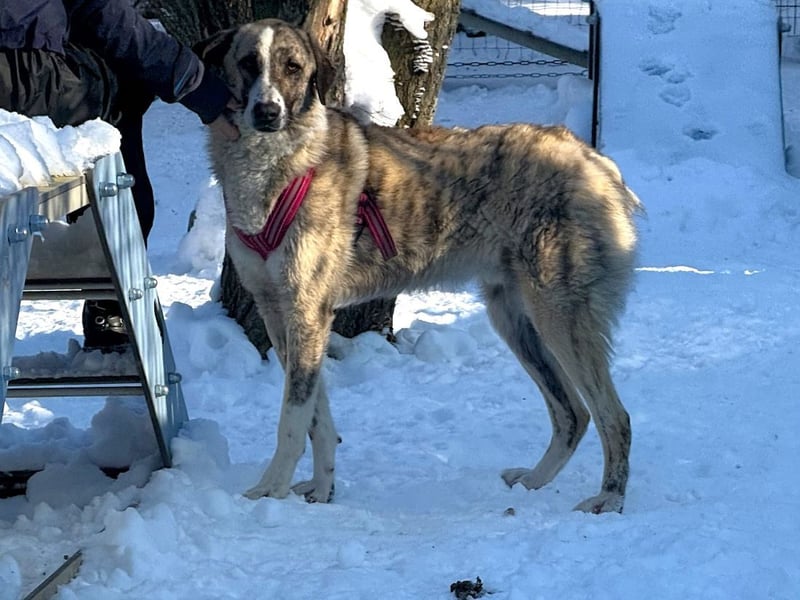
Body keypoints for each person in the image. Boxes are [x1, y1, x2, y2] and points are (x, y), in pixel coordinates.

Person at [0, 0, 238, 351]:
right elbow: (105, 17)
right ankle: (110, 301)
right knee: (125, 83)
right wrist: (204, 91)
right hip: (19, 70)